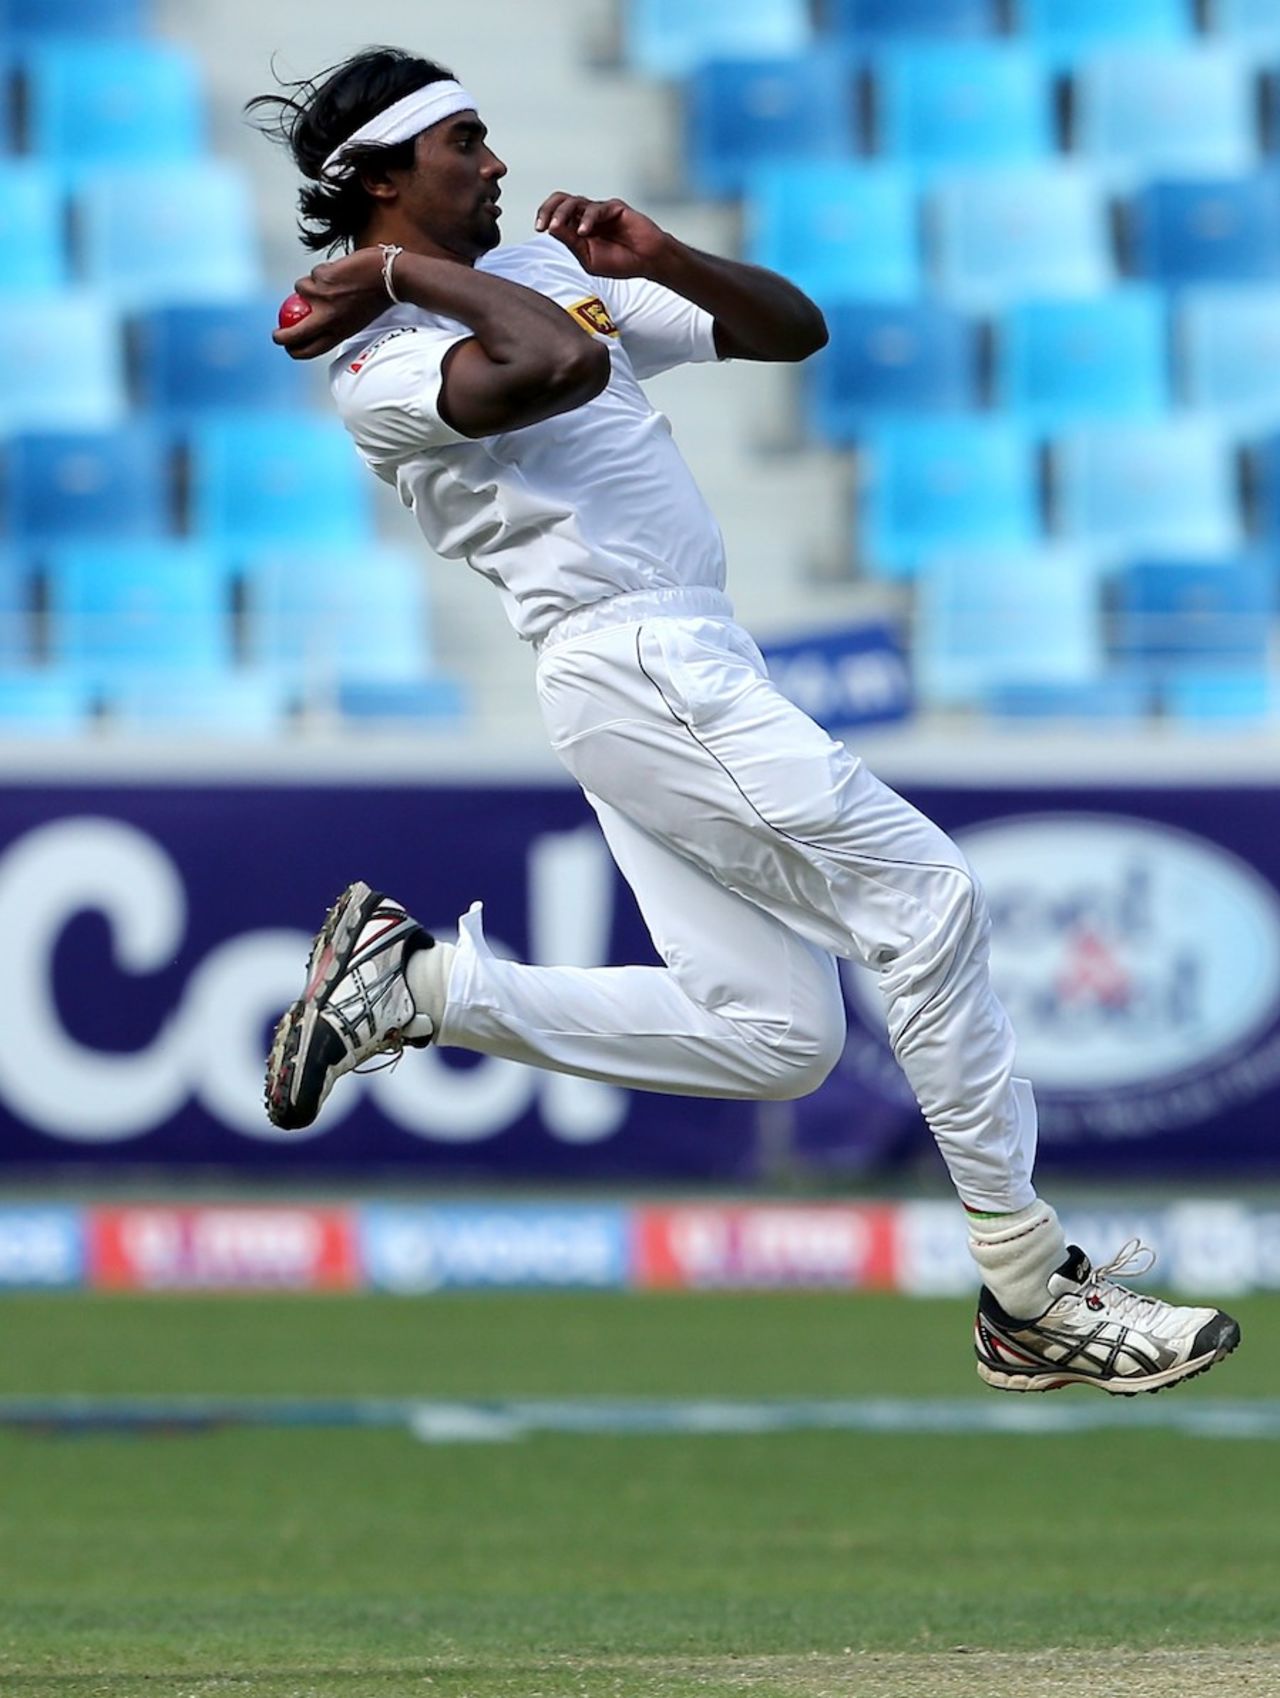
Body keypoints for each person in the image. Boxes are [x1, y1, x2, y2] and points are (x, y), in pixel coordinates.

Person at [250, 47, 1240, 1395]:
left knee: (777, 1035)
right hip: (631, 655)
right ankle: (1029, 1286)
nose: (495, 161)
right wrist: (392, 279)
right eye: (462, 142)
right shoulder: (377, 361)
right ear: (380, 177)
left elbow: (792, 329)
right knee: (925, 896)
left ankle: (422, 988)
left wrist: (665, 255)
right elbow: (555, 368)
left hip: (678, 659)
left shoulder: (534, 271)